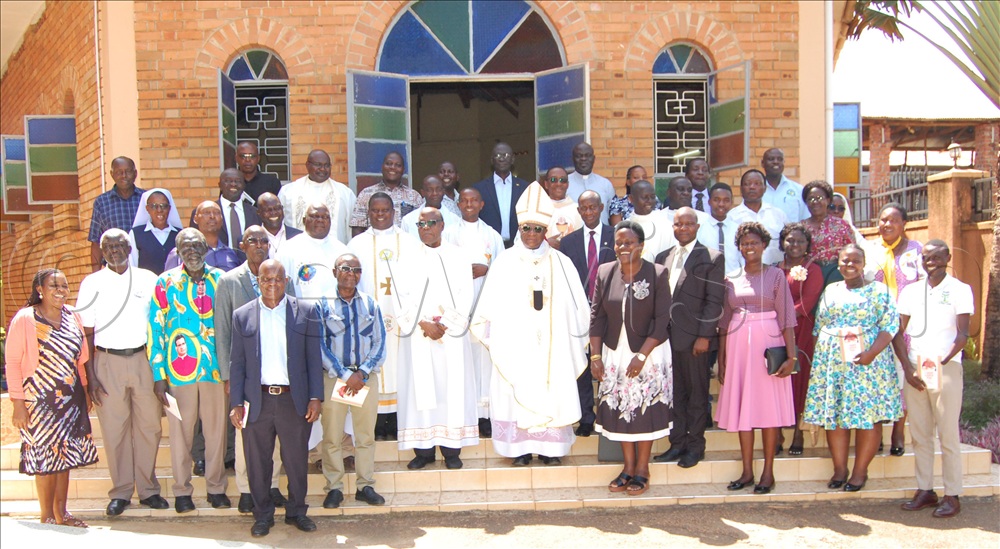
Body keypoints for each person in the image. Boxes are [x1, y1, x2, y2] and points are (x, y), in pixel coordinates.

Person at [472, 181, 589, 465]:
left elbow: (579, 308)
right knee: (516, 390)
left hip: (554, 347)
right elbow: (487, 309)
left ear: (545, 230)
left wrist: (575, 337)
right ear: (519, 229)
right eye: (527, 228)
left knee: (552, 391)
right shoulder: (504, 262)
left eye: (538, 228)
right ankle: (520, 450)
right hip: (516, 347)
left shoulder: (562, 262)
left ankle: (550, 451)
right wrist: (495, 336)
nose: (532, 234)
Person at [229, 260, 323, 537]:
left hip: (292, 400)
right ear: (257, 281)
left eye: (278, 279)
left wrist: (315, 397)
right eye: (266, 279)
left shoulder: (305, 312)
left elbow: (313, 359)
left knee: (295, 460)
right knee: (258, 462)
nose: (272, 284)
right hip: (256, 400)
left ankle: (297, 512)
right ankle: (262, 515)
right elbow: (237, 363)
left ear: (287, 280)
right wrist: (236, 403)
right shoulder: (242, 315)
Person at [76, 229, 167, 516]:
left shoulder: (147, 279)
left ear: (129, 248)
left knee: (149, 427)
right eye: (108, 246)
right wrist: (90, 377)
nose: (114, 250)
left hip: (144, 359)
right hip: (107, 362)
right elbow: (86, 333)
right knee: (115, 431)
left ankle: (148, 489)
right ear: (101, 251)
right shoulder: (92, 283)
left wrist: (159, 371)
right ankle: (121, 492)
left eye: (119, 245)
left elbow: (160, 325)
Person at [804, 244, 901, 492]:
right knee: (835, 417)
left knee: (867, 419)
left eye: (855, 261)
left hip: (868, 365)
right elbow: (819, 327)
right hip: (833, 366)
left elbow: (890, 327)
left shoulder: (880, 291)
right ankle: (839, 469)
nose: (850, 265)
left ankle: (859, 473)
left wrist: (870, 353)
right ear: (838, 264)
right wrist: (822, 362)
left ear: (863, 264)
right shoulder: (831, 290)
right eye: (845, 261)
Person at [6, 269, 98, 527]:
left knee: (65, 455)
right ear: (40, 290)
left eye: (64, 286)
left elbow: (80, 359)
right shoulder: (26, 318)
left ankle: (63, 513)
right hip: (38, 400)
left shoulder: (72, 316)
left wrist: (86, 390)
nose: (60, 291)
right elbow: (12, 362)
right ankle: (46, 515)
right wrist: (18, 404)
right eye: (53, 286)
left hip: (69, 398)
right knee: (46, 455)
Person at [147, 228, 230, 513]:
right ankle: (182, 490)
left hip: (215, 371)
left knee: (216, 432)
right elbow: (155, 329)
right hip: (177, 372)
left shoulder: (221, 280)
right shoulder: (164, 282)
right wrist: (158, 376)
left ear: (207, 248)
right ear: (177, 251)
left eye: (198, 245)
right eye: (186, 246)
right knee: (180, 433)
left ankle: (216, 487)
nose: (192, 251)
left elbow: (232, 325)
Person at [590, 220, 672, 497]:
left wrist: (641, 356)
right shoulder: (605, 272)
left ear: (641, 246)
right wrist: (596, 355)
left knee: (644, 409)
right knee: (621, 409)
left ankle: (643, 469)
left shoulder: (657, 273)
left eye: (629, 243)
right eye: (619, 242)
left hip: (648, 352)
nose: (623, 247)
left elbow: (662, 321)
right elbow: (597, 316)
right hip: (615, 351)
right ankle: (627, 468)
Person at [715, 222, 797, 495]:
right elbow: (724, 324)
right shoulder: (731, 278)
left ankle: (768, 472)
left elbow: (787, 319)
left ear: (764, 245)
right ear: (739, 248)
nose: (750, 247)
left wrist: (791, 357)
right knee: (744, 409)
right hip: (738, 347)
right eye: (745, 243)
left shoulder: (775, 276)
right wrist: (723, 360)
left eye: (755, 243)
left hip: (768, 345)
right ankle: (747, 471)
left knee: (768, 410)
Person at [894, 240, 974, 518]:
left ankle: (952, 494)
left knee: (948, 434)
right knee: (920, 434)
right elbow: (896, 332)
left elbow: (963, 334)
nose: (932, 262)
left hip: (946, 367)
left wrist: (943, 360)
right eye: (927, 257)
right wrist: (907, 368)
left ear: (948, 258)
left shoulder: (961, 290)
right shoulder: (911, 291)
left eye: (938, 257)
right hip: (915, 369)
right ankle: (925, 490)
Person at [396, 207, 478, 469]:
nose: (426, 228)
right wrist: (423, 323)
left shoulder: (458, 257)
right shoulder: (406, 257)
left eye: (431, 223)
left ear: (442, 225)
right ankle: (423, 451)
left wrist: (443, 324)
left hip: (451, 336)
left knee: (450, 391)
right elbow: (400, 296)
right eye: (421, 224)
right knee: (421, 391)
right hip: (419, 336)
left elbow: (466, 295)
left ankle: (452, 450)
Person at [214, 226, 287, 514]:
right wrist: (228, 375)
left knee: (277, 431)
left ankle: (271, 485)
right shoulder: (229, 281)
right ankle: (246, 488)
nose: (259, 245)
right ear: (242, 245)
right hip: (244, 372)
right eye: (253, 241)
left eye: (264, 240)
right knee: (245, 431)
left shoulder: (280, 277)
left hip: (277, 369)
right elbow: (221, 332)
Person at [347, 192, 424, 440]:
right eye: (375, 211)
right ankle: (377, 424)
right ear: (368, 213)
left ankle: (398, 422)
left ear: (394, 213)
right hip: (368, 319)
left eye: (385, 211)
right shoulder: (356, 245)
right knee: (374, 366)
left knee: (400, 366)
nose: (380, 215)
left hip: (402, 319)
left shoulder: (410, 242)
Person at [653, 208, 725, 468]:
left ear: (697, 226)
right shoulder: (664, 257)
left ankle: (695, 446)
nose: (683, 228)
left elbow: (714, 301)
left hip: (695, 340)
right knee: (675, 394)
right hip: (666, 341)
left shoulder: (712, 258)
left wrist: (705, 336)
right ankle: (677, 443)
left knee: (696, 394)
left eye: (688, 224)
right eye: (678, 224)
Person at [317, 253, 388, 509]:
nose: (351, 273)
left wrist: (363, 372)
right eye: (345, 268)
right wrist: (346, 375)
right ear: (335, 272)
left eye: (356, 269)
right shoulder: (323, 304)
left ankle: (365, 485)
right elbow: (320, 345)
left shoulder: (371, 304)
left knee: (365, 436)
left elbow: (380, 343)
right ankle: (334, 487)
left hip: (365, 380)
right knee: (332, 437)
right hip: (335, 379)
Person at [868, 202, 924, 456]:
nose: (887, 224)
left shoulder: (916, 251)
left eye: (893, 220)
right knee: (879, 378)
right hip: (877, 327)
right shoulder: (871, 251)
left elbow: (924, 287)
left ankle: (898, 430)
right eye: (882, 220)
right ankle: (877, 431)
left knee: (903, 377)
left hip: (907, 326)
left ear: (904, 224)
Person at [559, 190, 615, 435]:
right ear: (579, 211)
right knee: (582, 365)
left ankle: (611, 414)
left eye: (593, 207)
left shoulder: (616, 236)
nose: (589, 212)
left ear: (601, 207)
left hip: (611, 312)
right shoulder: (568, 242)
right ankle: (585, 417)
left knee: (610, 363)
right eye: (584, 208)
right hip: (579, 312)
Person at [451, 187, 505, 438]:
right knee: (461, 361)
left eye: (474, 200)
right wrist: (463, 270)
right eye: (464, 201)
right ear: (458, 204)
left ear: (482, 204)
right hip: (457, 308)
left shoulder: (492, 236)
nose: (469, 204)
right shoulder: (448, 232)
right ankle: (465, 414)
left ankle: (485, 416)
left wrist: (488, 270)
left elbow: (505, 268)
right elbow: (442, 265)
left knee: (484, 362)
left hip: (486, 307)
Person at [776, 223, 823, 455]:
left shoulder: (812, 269)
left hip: (800, 330)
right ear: (782, 242)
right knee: (776, 378)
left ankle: (797, 432)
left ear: (807, 246)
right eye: (790, 240)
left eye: (800, 241)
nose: (794, 245)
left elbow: (808, 301)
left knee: (799, 379)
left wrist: (781, 317)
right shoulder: (774, 269)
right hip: (775, 332)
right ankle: (776, 432)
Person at [279, 149, 357, 244]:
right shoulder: (288, 192)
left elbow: (353, 228)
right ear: (307, 165)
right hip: (298, 252)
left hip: (334, 254)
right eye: (318, 165)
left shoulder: (344, 193)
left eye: (327, 165)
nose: (323, 169)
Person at [279, 203, 350, 300]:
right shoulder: (287, 249)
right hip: (301, 312)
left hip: (336, 312)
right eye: (315, 216)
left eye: (325, 217)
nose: (320, 220)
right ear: (304, 220)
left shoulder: (342, 251)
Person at [89, 157, 145, 270]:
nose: (124, 175)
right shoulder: (102, 202)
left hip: (143, 266)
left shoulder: (146, 199)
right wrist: (95, 274)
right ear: (112, 174)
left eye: (128, 171)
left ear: (135, 174)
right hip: (113, 268)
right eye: (119, 172)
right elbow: (96, 242)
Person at [349, 151, 424, 236]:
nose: (393, 167)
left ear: (403, 170)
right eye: (388, 164)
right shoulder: (366, 194)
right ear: (382, 167)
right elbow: (357, 228)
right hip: (373, 245)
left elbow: (421, 225)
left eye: (398, 165)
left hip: (404, 246)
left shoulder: (414, 197)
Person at [473, 142, 529, 248]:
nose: (502, 159)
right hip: (489, 246)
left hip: (518, 246)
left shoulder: (524, 187)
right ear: (492, 160)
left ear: (512, 159)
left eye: (506, 155)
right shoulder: (479, 189)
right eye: (498, 155)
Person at [801, 180, 856, 286]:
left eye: (819, 198)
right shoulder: (801, 227)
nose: (815, 202)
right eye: (810, 199)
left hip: (836, 275)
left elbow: (852, 252)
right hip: (809, 276)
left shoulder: (842, 225)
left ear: (828, 200)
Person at [190, 168, 263, 249]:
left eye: (238, 181)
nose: (233, 184)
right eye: (228, 181)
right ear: (220, 185)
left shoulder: (255, 213)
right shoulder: (202, 212)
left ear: (244, 185)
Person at [728, 169, 787, 266]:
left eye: (757, 184)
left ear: (765, 188)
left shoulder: (778, 215)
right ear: (741, 189)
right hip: (743, 275)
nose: (752, 187)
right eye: (747, 184)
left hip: (775, 273)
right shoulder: (732, 217)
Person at [165, 201, 242, 272]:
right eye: (206, 212)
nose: (212, 216)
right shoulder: (180, 253)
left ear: (222, 219)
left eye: (216, 213)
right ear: (195, 219)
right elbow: (168, 282)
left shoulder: (230, 253)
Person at [128, 188, 183, 275]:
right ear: (147, 208)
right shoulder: (136, 234)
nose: (159, 210)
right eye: (154, 206)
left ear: (169, 208)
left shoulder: (180, 235)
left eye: (164, 206)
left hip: (175, 287)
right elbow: (132, 265)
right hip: (146, 286)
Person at [566, 142, 616, 224]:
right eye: (579, 156)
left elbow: (613, 216)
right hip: (573, 235)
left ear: (594, 158)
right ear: (572, 159)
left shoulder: (606, 184)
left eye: (587, 155)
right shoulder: (564, 185)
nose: (583, 159)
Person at [625, 180, 675, 261]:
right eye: (645, 197)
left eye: (652, 197)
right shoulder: (623, 227)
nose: (650, 201)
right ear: (631, 199)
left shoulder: (667, 226)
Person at [696, 183, 740, 275]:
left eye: (726, 200)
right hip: (707, 281)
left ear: (732, 202)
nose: (721, 204)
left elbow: (743, 260)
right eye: (716, 200)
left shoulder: (738, 230)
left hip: (735, 282)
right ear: (709, 201)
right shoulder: (700, 229)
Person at [402, 175, 461, 241]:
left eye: (438, 189)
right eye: (429, 190)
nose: (434, 193)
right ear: (423, 192)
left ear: (443, 192)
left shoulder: (455, 220)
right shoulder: (408, 220)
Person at [760, 148, 807, 222]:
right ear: (762, 163)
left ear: (784, 162)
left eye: (779, 159)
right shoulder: (755, 191)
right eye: (771, 159)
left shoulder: (798, 190)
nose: (776, 162)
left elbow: (805, 219)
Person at [543, 166, 583, 250]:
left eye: (563, 180)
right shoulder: (539, 209)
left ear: (567, 184)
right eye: (553, 180)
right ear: (546, 184)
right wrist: (545, 242)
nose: (558, 183)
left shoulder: (578, 210)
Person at [256, 192, 302, 259]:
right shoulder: (251, 241)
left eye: (277, 208)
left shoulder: (299, 236)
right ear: (259, 213)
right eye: (268, 210)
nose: (273, 213)